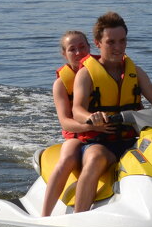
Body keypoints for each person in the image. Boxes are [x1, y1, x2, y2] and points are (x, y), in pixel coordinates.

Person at [71, 11, 152, 213]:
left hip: (132, 138)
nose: (118, 47)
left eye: (122, 41)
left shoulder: (135, 72)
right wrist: (92, 117)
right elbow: (77, 109)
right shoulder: (86, 74)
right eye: (111, 42)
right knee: (95, 159)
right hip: (100, 141)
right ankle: (78, 217)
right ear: (98, 43)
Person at [40, 30, 114, 217]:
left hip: (105, 133)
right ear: (64, 54)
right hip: (78, 133)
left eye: (82, 47)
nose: (79, 52)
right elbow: (66, 122)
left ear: (90, 47)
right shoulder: (61, 84)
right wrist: (90, 126)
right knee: (67, 158)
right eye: (72, 49)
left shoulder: (102, 71)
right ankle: (44, 215)